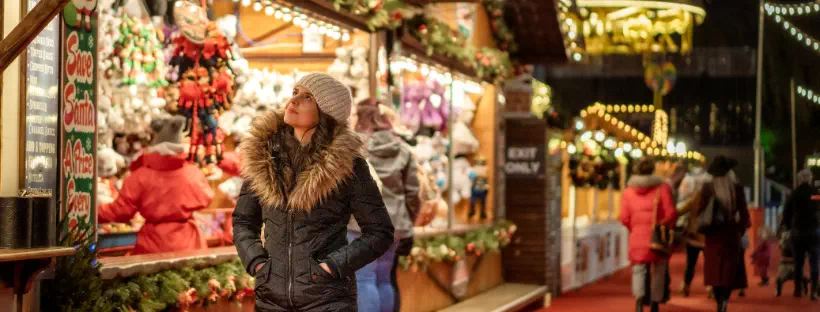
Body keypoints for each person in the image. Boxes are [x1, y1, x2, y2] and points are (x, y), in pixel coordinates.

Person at [233, 73, 395, 311]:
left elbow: (380, 231)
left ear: (326, 112)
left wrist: (332, 267)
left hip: (328, 300)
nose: (294, 101)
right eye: (295, 92)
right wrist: (257, 263)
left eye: (307, 96)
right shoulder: (265, 158)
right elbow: (243, 220)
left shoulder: (346, 165)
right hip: (271, 300)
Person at [98, 116, 213, 255]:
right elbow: (207, 198)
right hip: (191, 245)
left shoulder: (140, 176)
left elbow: (120, 212)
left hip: (153, 246)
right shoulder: (193, 173)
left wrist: (91, 212)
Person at [350, 101, 421, 312]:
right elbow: (413, 193)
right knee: (383, 278)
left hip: (360, 224)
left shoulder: (355, 148)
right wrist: (409, 223)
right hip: (394, 224)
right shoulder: (404, 150)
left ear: (360, 119)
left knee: (364, 279)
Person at [620, 158, 677, 312]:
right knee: (659, 270)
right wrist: (662, 225)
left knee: (638, 270)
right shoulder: (662, 188)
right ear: (652, 170)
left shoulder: (628, 191)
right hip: (657, 237)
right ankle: (655, 304)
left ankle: (639, 303)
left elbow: (624, 217)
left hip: (637, 237)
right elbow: (671, 213)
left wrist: (636, 228)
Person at [696, 156, 749, 312]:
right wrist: (741, 229)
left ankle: (719, 300)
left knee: (714, 270)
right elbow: (744, 213)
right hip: (731, 234)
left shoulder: (708, 187)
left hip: (713, 234)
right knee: (728, 270)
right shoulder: (736, 187)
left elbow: (700, 209)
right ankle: (725, 300)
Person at [781, 168, 820, 300]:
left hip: (797, 231)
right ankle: (814, 291)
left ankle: (797, 290)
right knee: (814, 262)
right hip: (813, 230)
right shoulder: (815, 193)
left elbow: (786, 212)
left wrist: (787, 226)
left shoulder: (794, 193)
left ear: (799, 179)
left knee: (798, 262)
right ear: (809, 179)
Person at [676, 167, 711, 297]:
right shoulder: (714, 198)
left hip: (694, 234)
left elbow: (682, 209)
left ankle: (686, 286)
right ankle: (711, 287)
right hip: (708, 235)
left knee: (690, 262)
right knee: (709, 263)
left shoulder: (695, 198)